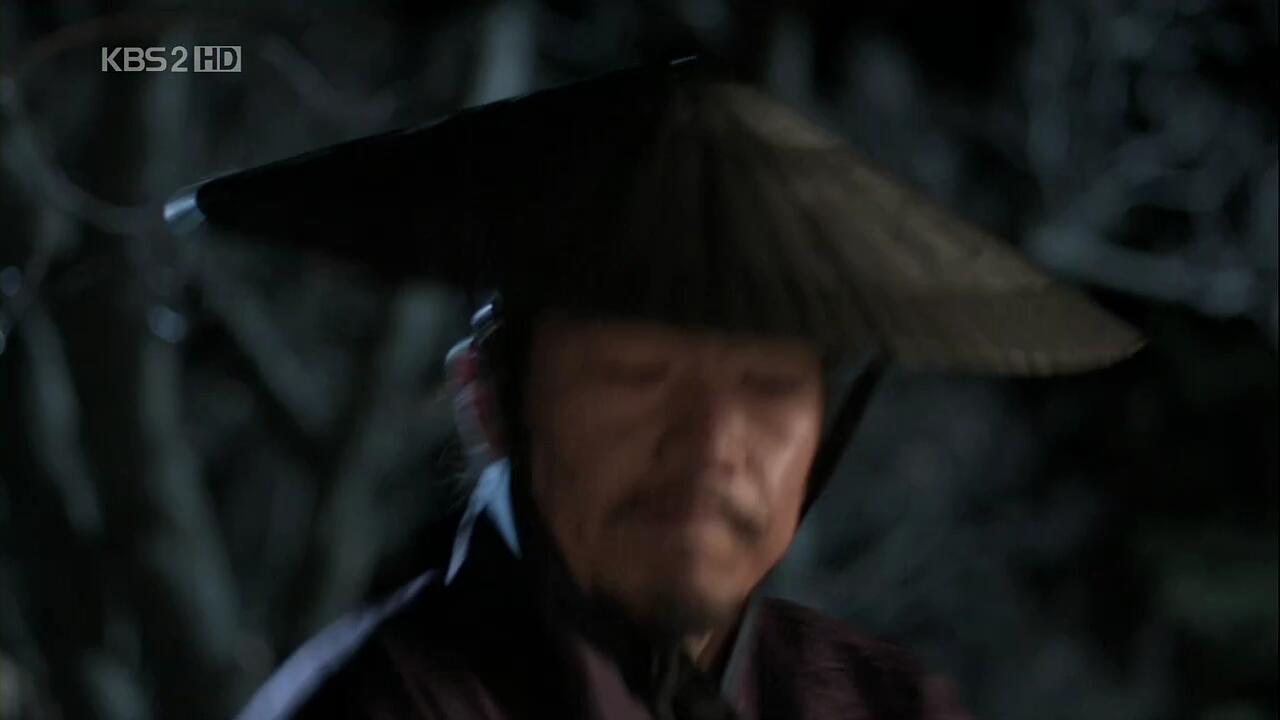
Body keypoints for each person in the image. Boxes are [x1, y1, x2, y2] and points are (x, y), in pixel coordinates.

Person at [165, 59, 1143, 719]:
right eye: (636, 377)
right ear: (489, 399)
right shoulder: (374, 706)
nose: (712, 442)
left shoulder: (877, 703)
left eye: (768, 387)